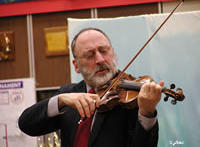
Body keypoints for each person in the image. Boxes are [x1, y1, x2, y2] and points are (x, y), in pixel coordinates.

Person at [18, 28, 164, 147]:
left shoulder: (133, 98)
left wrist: (146, 113)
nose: (100, 59)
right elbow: (26, 124)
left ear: (113, 53)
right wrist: (61, 99)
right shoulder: (68, 94)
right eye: (90, 55)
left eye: (104, 50)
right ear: (76, 66)